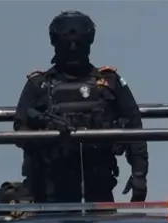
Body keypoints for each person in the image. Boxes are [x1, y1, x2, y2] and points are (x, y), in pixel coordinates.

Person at [13, 10, 149, 203]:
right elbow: (20, 130)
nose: (73, 46)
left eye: (78, 41)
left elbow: (135, 128)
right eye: (67, 42)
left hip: (100, 186)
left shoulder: (109, 82)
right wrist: (48, 134)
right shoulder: (39, 85)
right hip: (51, 190)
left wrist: (139, 174)